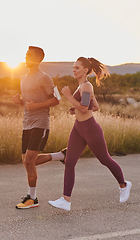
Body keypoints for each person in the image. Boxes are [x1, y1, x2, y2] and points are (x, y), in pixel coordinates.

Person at [48, 57, 132, 211]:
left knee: (105, 159)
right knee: (69, 162)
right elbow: (95, 106)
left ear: (85, 70)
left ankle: (124, 184)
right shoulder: (82, 86)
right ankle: (66, 200)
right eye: (73, 67)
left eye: (77, 68)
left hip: (90, 129)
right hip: (78, 129)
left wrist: (69, 97)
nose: (73, 70)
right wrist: (75, 107)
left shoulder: (86, 86)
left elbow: (85, 108)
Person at [12, 46, 65, 209]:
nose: (26, 57)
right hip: (26, 124)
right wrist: (19, 101)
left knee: (29, 161)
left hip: (40, 123)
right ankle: (61, 156)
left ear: (38, 59)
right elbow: (28, 102)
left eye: (29, 55)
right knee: (27, 161)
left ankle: (32, 198)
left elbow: (57, 99)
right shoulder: (22, 78)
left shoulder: (45, 78)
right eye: (26, 55)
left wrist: (37, 106)